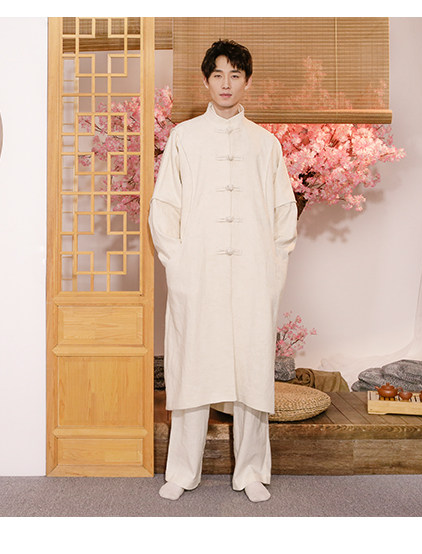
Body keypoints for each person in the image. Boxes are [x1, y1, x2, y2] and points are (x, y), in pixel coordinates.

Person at [149, 39, 298, 502]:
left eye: (235, 75)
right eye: (218, 75)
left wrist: (274, 267)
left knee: (251, 370)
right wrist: (178, 264)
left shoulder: (265, 143)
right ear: (206, 81)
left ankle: (251, 471)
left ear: (247, 81)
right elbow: (164, 206)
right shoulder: (185, 137)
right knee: (192, 366)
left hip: (253, 273)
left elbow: (283, 211)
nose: (226, 84)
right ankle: (182, 471)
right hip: (198, 272)